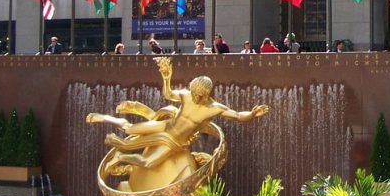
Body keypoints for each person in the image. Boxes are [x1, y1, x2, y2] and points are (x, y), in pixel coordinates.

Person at [87, 57, 269, 172]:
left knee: (148, 162)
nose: (195, 97)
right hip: (165, 126)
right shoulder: (186, 95)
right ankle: (106, 118)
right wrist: (166, 78)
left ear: (206, 93)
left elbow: (237, 115)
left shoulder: (214, 108)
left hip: (176, 141)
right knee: (128, 129)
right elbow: (168, 94)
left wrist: (252, 114)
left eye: (199, 95)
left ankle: (120, 157)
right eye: (194, 92)